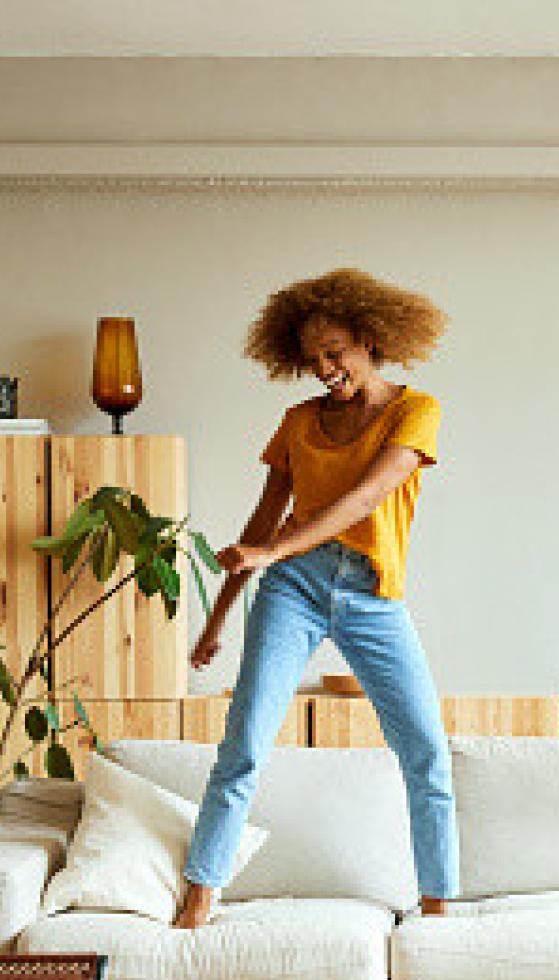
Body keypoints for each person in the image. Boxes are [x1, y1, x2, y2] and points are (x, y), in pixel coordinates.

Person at [174, 268, 459, 929]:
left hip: (371, 593)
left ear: (369, 337)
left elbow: (366, 497)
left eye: (335, 352)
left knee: (425, 751)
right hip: (293, 590)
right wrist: (217, 617)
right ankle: (198, 902)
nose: (324, 369)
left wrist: (276, 549)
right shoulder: (298, 422)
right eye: (313, 360)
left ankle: (439, 907)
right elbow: (259, 522)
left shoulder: (415, 411)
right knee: (244, 744)